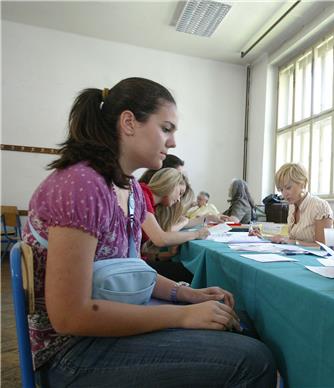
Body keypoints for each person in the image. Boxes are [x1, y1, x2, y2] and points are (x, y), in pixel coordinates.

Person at [23, 77, 277, 387]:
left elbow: (130, 272)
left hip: (102, 329)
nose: (172, 143)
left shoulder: (127, 187)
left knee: (243, 322)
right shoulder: (82, 185)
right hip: (71, 352)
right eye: (166, 128)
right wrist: (182, 315)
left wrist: (188, 294)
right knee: (252, 360)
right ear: (128, 122)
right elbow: (69, 316)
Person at [139, 168, 198, 282]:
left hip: (138, 261)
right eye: (180, 193)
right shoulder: (143, 195)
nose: (178, 199)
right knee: (190, 273)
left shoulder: (152, 205)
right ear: (171, 185)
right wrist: (197, 234)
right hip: (132, 265)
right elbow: (160, 239)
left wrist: (166, 255)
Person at [271, 163, 333, 246]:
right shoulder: (292, 206)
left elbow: (324, 247)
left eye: (288, 188)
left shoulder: (320, 206)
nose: (284, 194)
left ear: (302, 184)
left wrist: (293, 242)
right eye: (281, 190)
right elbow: (294, 238)